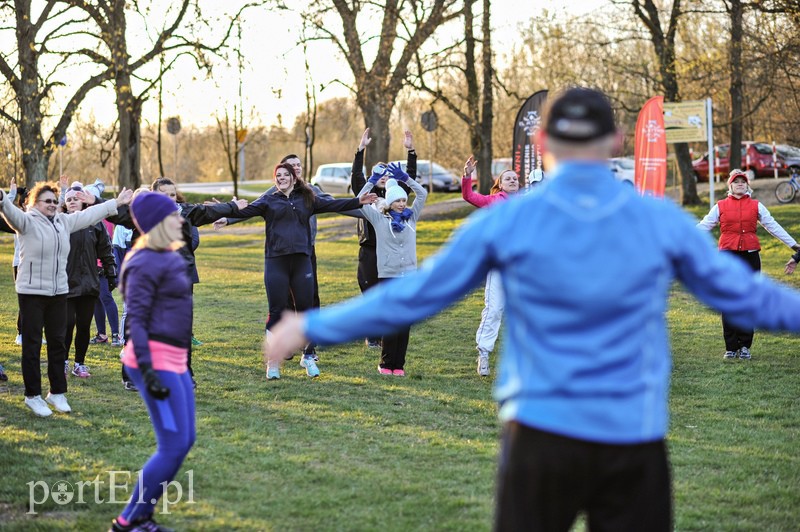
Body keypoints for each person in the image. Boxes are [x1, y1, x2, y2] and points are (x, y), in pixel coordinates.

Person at [264, 87, 800, 530]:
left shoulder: (511, 221)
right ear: (613, 140)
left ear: (542, 142)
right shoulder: (656, 221)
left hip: (540, 442)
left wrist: (312, 325)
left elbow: (417, 293)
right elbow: (749, 296)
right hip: (632, 442)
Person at [231, 162, 376, 380]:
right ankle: (273, 362)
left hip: (301, 262)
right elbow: (246, 212)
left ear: (293, 178)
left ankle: (308, 356)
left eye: (285, 175)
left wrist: (358, 201)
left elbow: (332, 204)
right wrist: (226, 214)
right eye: (278, 175)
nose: (281, 178)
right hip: (276, 262)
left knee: (306, 312)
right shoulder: (268, 200)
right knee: (276, 311)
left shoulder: (307, 198)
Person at [0, 180, 132, 417]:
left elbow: (91, 214)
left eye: (54, 200)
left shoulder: (63, 222)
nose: (52, 205)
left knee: (58, 344)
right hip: (32, 293)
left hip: (59, 292)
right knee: (32, 346)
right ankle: (33, 396)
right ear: (34, 203)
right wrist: (2, 197)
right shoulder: (26, 221)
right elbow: (8, 211)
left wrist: (116, 203)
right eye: (46, 201)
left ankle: (57, 393)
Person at [110, 192, 195, 532]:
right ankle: (127, 522)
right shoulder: (142, 261)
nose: (181, 219)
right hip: (153, 362)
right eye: (174, 215)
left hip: (175, 359)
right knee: (172, 445)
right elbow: (138, 322)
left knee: (185, 441)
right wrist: (146, 369)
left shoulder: (170, 254)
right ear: (159, 223)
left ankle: (141, 516)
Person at [697, 169, 800, 360]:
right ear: (730, 186)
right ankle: (730, 347)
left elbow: (773, 226)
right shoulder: (720, 206)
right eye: (736, 182)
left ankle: (745, 346)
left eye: (743, 182)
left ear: (747, 186)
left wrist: (793, 245)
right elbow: (704, 226)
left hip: (750, 257)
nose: (740, 184)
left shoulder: (756, 205)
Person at [357, 161, 427, 376]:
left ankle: (399, 365)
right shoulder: (379, 219)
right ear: (389, 201)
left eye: (404, 200)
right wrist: (370, 180)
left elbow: (422, 193)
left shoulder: (411, 219)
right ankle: (386, 364)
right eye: (397, 200)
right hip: (388, 275)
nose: (401, 203)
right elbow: (361, 199)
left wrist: (406, 179)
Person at [350, 129, 415, 348]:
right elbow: (357, 179)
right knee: (369, 292)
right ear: (375, 178)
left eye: (388, 175)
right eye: (381, 175)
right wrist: (360, 151)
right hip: (369, 249)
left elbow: (411, 181)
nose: (384, 178)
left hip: (390, 253)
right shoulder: (367, 196)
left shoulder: (396, 198)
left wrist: (411, 151)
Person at [461, 156, 520, 376]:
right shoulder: (493, 201)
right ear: (500, 184)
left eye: (515, 178)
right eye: (508, 179)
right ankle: (484, 354)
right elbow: (468, 196)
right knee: (494, 309)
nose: (513, 181)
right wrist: (467, 176)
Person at [61, 185, 117, 379]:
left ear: (83, 201)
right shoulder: (60, 223)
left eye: (76, 198)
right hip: (66, 284)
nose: (73, 201)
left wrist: (111, 273)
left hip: (89, 284)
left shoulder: (95, 223)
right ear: (65, 205)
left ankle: (79, 364)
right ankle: (63, 362)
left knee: (84, 326)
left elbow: (106, 250)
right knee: (67, 324)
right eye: (68, 199)